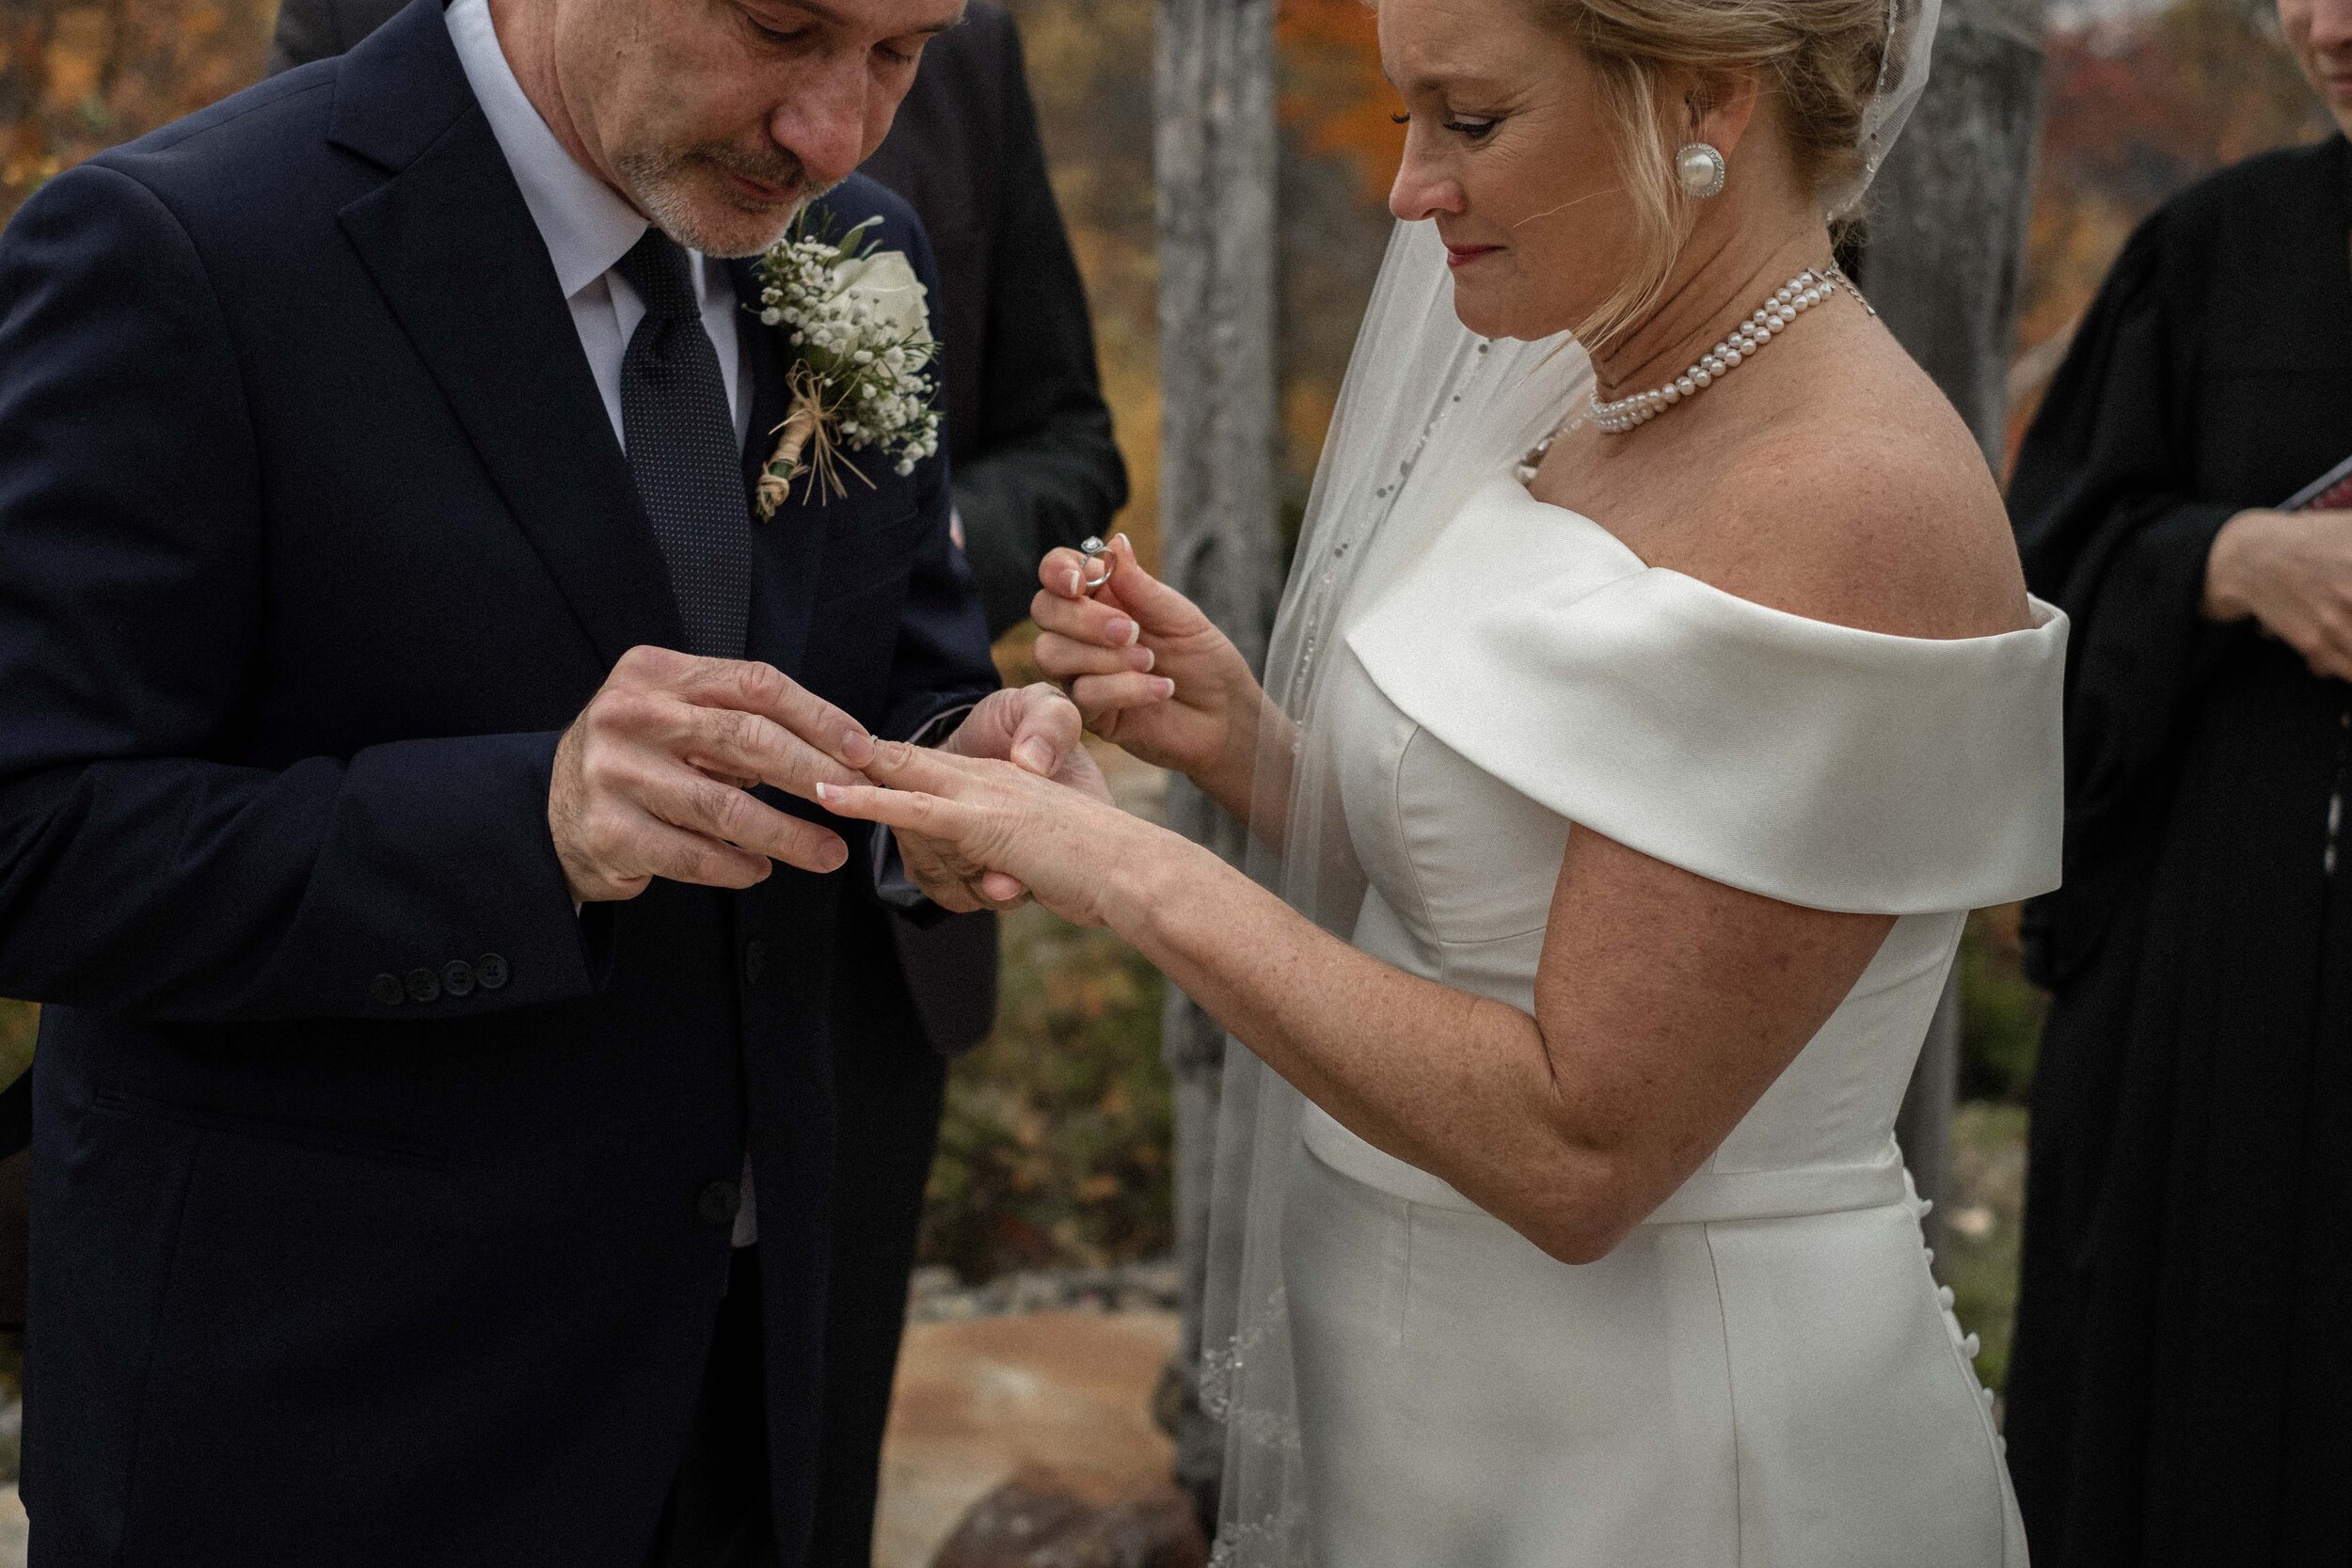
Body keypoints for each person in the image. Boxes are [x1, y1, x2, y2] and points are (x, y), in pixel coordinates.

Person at [818, 0, 2068, 1561]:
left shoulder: (1846, 497)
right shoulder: (1592, 378)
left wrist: (1124, 864)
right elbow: (1525, 883)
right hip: (1433, 1392)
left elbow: (1581, 1145)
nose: (1410, 189)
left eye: (1470, 121)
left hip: (1667, 1441)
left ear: (1707, 98)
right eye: (1408, 117)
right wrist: (1256, 751)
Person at [0, 0, 1099, 1559]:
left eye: (898, 51)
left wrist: (956, 776)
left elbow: (896, 672)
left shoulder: (864, 253)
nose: (835, 133)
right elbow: (28, 839)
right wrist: (534, 824)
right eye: (785, 26)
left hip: (748, 1373)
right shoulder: (179, 246)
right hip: (327, 1409)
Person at [2000, 0, 2352, 1560]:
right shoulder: (2215, 251)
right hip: (2224, 1005)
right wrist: (2224, 559)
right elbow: (2032, 593)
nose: (2325, 22)